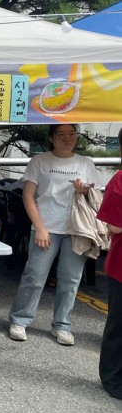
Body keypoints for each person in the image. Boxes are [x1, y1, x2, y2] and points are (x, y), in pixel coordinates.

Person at [8, 124, 100, 346]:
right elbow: (28, 196)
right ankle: (19, 319)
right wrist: (39, 226)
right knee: (34, 276)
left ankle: (62, 325)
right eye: (62, 134)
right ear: (51, 138)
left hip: (76, 229)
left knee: (70, 279)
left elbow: (96, 195)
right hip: (46, 226)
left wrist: (84, 190)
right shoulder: (40, 161)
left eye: (72, 134)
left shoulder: (85, 163)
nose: (68, 139)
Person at [97, 127, 122, 399]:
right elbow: (114, 226)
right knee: (118, 325)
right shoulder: (119, 181)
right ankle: (112, 379)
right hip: (120, 267)